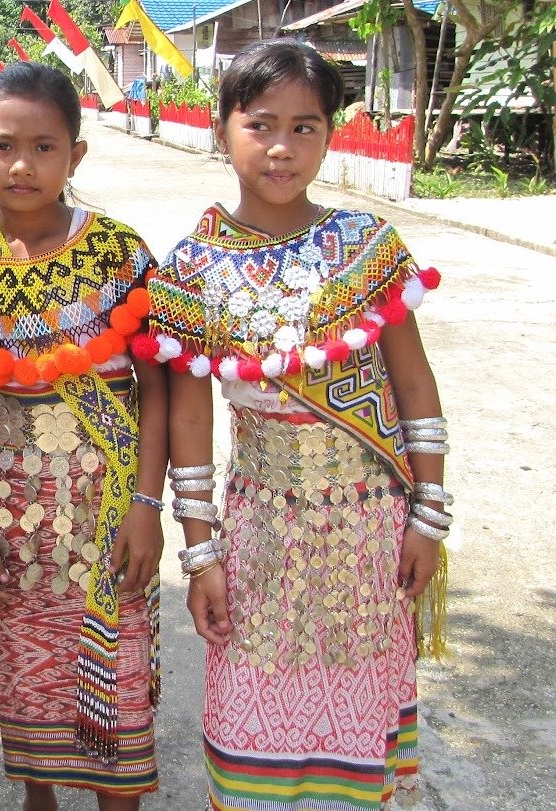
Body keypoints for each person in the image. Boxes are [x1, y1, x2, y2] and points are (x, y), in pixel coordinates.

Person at [146, 40, 450, 810]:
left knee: (358, 701)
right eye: (261, 124)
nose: (283, 146)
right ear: (222, 130)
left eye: (306, 126)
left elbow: (413, 385)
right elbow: (189, 415)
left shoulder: (368, 248)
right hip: (261, 533)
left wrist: (431, 515)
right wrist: (201, 551)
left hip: (370, 527)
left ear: (331, 133)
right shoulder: (189, 270)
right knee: (252, 705)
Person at [0, 61, 166, 810]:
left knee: (119, 685)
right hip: (9, 506)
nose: (23, 164)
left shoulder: (121, 255)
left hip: (108, 503)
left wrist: (147, 504)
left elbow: (157, 388)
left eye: (45, 145)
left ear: (77, 154)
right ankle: (39, 793)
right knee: (25, 674)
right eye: (3, 145)